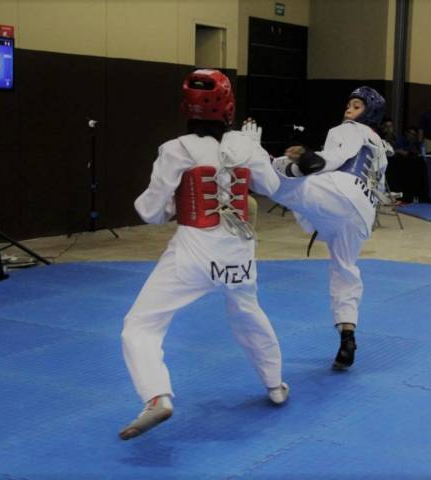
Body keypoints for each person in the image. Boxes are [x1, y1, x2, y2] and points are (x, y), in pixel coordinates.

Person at [118, 69, 289, 441]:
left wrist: (172, 205)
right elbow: (273, 186)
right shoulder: (245, 145)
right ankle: (275, 385)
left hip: (194, 252)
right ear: (229, 107)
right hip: (239, 254)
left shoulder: (176, 149)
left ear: (187, 107)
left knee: (141, 325)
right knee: (248, 313)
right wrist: (257, 155)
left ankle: (156, 396)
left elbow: (149, 211)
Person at [270, 86, 390, 370]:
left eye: (357, 106)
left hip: (341, 192)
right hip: (362, 215)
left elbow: (336, 157)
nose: (349, 110)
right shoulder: (382, 148)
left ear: (369, 113)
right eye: (349, 104)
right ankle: (347, 337)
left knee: (279, 182)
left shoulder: (349, 129)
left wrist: (311, 161)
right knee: (344, 270)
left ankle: (248, 161)